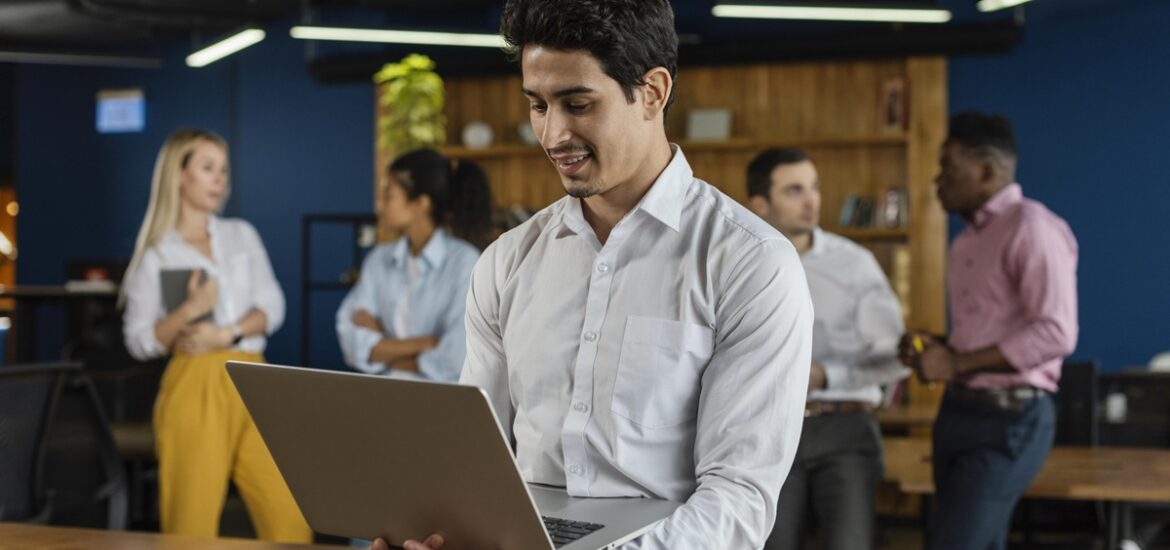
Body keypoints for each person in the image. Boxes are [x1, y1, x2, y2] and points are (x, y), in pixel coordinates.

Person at [374, 1, 814, 549]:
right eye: (537, 106)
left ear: (653, 92)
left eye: (577, 104)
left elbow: (739, 497)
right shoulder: (506, 263)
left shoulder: (750, 263)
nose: (553, 134)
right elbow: (471, 466)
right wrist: (432, 532)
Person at [898, 111, 1078, 550]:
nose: (937, 179)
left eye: (948, 167)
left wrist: (955, 361)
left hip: (1011, 419)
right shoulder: (965, 243)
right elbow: (982, 334)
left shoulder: (1032, 227)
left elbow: (1056, 332)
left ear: (986, 170)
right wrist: (936, 345)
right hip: (957, 411)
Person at [121, 128, 310, 542]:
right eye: (207, 168)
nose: (220, 179)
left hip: (255, 379)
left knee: (290, 522)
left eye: (223, 169)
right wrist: (188, 310)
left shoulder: (241, 234)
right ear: (179, 175)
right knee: (189, 527)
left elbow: (272, 307)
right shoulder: (157, 255)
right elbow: (138, 340)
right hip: (193, 384)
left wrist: (226, 333)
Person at [746, 148, 907, 550]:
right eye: (795, 190)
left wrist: (826, 374)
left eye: (814, 187)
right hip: (770, 429)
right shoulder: (740, 263)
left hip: (845, 428)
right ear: (760, 204)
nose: (811, 200)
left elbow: (896, 359)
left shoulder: (854, 263)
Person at [335, 149, 492, 381]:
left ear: (420, 203)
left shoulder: (465, 262)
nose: (378, 206)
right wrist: (425, 343)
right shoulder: (379, 259)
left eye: (388, 196)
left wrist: (384, 345)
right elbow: (349, 336)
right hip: (383, 395)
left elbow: (456, 356)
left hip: (443, 400)